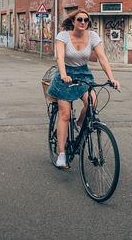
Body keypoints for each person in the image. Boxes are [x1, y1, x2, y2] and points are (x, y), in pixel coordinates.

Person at [46, 9, 121, 169]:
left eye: (86, 20)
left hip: (83, 73)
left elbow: (102, 58)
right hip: (64, 75)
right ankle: (61, 154)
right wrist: (64, 75)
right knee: (65, 115)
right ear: (73, 21)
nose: (83, 22)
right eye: (79, 19)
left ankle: (80, 124)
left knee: (92, 103)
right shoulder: (63, 36)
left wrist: (112, 78)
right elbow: (60, 57)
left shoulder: (93, 36)